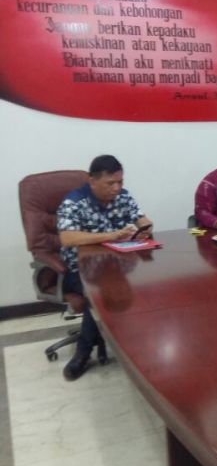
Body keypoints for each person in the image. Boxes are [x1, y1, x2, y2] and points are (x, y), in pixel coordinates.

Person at [56, 155, 153, 381]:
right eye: (110, 183)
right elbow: (67, 238)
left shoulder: (123, 197)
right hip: (79, 271)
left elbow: (142, 219)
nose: (116, 188)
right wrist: (109, 236)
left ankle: (141, 342)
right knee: (101, 293)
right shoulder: (74, 202)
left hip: (117, 268)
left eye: (120, 182)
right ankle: (83, 352)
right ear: (92, 180)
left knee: (146, 283)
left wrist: (145, 227)